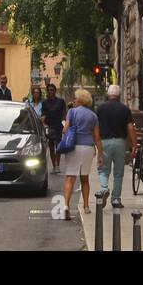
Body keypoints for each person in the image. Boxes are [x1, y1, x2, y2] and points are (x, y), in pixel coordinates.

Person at [60, 88, 103, 217]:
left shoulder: (71, 112)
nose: (74, 101)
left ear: (79, 100)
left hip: (74, 147)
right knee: (85, 178)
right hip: (88, 148)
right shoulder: (93, 115)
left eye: (75, 98)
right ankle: (86, 206)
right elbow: (97, 137)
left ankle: (66, 205)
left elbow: (65, 130)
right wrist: (100, 153)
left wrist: (65, 130)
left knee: (70, 177)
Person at [94, 85, 135, 209]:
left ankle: (104, 188)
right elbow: (130, 128)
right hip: (120, 143)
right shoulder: (125, 109)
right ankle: (116, 199)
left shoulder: (100, 109)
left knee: (102, 169)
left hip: (104, 142)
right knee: (118, 173)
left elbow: (95, 128)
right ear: (119, 95)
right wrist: (134, 145)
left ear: (108, 95)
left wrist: (95, 143)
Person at [42, 84, 67, 174]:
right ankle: (53, 166)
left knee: (58, 147)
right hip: (49, 127)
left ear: (55, 91)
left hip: (58, 126)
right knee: (51, 147)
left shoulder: (61, 101)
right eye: (48, 90)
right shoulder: (45, 103)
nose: (50, 91)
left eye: (52, 90)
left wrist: (64, 122)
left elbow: (64, 113)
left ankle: (58, 165)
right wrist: (44, 124)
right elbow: (43, 115)